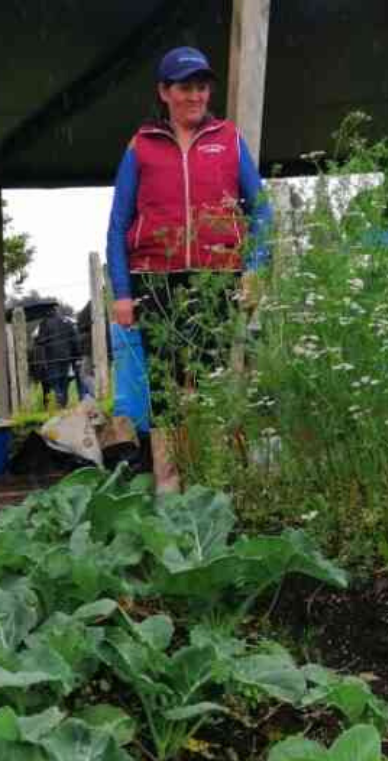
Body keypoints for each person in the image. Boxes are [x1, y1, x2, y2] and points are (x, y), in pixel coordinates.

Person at [105, 45, 271, 478]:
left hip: (217, 277)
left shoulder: (229, 139)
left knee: (210, 379)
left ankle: (209, 481)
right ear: (164, 92)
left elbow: (262, 210)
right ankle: (168, 484)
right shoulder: (141, 145)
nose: (195, 96)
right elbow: (118, 223)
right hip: (154, 280)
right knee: (164, 385)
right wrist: (122, 292)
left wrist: (255, 268)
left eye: (201, 87)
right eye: (184, 88)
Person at [32, 310, 81, 407]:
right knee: (64, 380)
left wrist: (37, 340)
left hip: (52, 357)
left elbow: (41, 341)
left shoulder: (44, 323)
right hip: (66, 356)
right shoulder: (67, 322)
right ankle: (63, 402)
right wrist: (76, 355)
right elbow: (74, 339)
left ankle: (59, 398)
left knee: (55, 380)